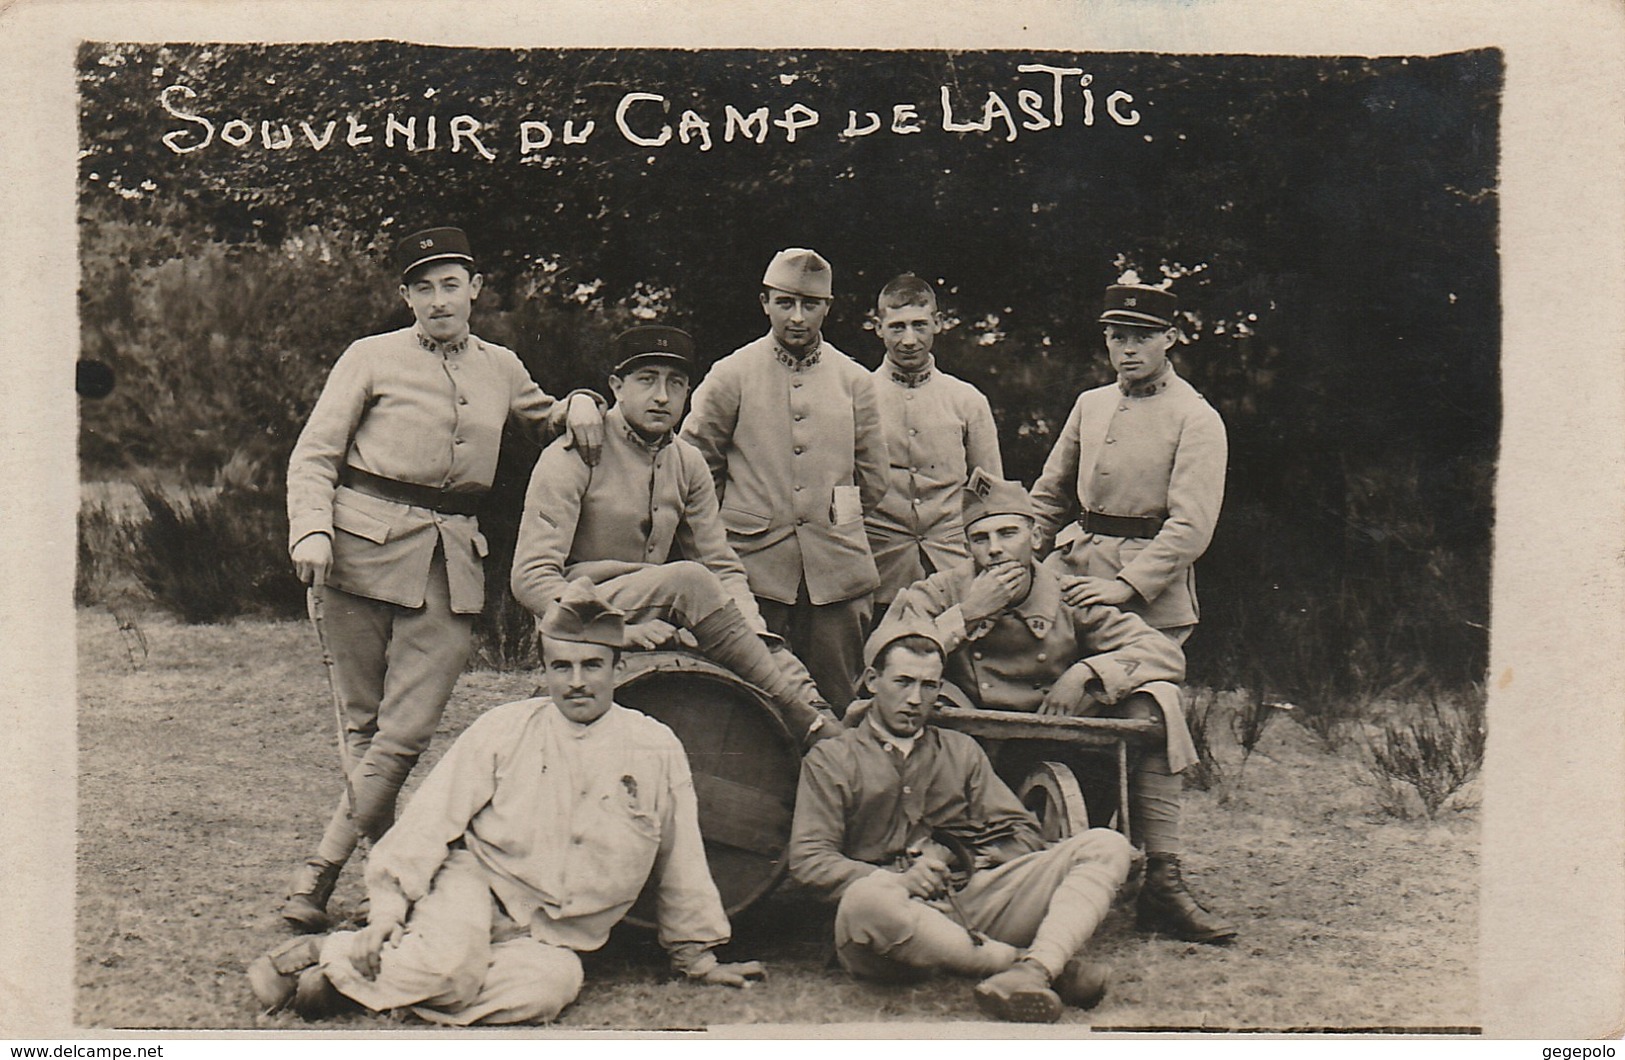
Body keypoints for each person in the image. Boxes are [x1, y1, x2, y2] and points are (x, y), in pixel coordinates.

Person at [280, 226, 606, 932]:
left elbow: (548, 414)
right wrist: (310, 528)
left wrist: (581, 400)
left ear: (474, 289)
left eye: (450, 284)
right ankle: (383, 876)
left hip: (451, 558)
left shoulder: (501, 365)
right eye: (422, 287)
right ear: (406, 296)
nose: (437, 300)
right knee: (362, 725)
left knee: (406, 731)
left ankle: (322, 870)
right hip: (355, 549)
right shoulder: (369, 357)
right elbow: (315, 454)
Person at [248, 581, 765, 1024]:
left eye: (592, 665)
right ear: (545, 669)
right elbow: (430, 821)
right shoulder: (506, 728)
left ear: (616, 667)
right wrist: (387, 907)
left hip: (554, 936)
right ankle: (335, 952)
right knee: (449, 967)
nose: (578, 681)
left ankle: (351, 980)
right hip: (475, 887)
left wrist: (697, 955)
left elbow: (681, 856)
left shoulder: (655, 746)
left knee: (547, 991)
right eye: (562, 667)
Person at [880, 471, 1237, 943]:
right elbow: (883, 655)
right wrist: (968, 613)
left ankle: (1162, 880)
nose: (995, 549)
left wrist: (1088, 673)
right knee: (916, 698)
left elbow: (1164, 653)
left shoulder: (1069, 593)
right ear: (967, 547)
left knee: (1159, 699)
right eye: (980, 538)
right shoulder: (941, 591)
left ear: (1034, 536)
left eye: (1008, 533)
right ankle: (926, 860)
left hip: (1064, 742)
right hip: (969, 755)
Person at [787, 616, 1135, 1023]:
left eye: (929, 685)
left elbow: (1023, 833)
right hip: (889, 924)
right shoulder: (832, 759)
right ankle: (1032, 966)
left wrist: (956, 853)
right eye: (903, 682)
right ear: (871, 680)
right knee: (868, 901)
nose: (916, 699)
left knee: (1106, 844)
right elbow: (809, 861)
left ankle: (1032, 971)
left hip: (967, 902)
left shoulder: (961, 751)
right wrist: (897, 880)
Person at [510, 324, 839, 749]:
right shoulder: (572, 453)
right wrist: (608, 629)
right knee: (689, 580)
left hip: (658, 611)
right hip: (576, 619)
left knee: (751, 639)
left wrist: (751, 629)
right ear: (617, 387)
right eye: (646, 380)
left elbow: (720, 562)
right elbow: (530, 577)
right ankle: (799, 718)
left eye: (676, 383)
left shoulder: (687, 461)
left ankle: (830, 732)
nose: (662, 396)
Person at [680, 248, 888, 712]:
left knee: (841, 699)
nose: (797, 317)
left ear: (827, 308)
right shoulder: (730, 375)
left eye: (810, 305)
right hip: (751, 568)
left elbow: (874, 478)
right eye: (785, 303)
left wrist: (834, 523)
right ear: (764, 302)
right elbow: (694, 469)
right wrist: (731, 530)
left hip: (836, 572)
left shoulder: (855, 381)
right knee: (753, 700)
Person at [1029, 282, 1227, 643]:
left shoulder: (1195, 416)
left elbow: (1191, 526)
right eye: (1118, 337)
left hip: (1146, 590)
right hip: (1071, 571)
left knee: (1129, 691)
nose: (1129, 350)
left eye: (1143, 337)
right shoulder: (1091, 403)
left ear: (1170, 337)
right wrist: (1023, 558)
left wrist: (1127, 585)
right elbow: (1049, 494)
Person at [863, 274, 1003, 609]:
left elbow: (990, 492)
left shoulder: (966, 400)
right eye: (897, 327)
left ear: (937, 323)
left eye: (919, 325)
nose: (909, 339)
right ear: (878, 326)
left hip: (954, 566)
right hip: (878, 568)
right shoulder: (856, 396)